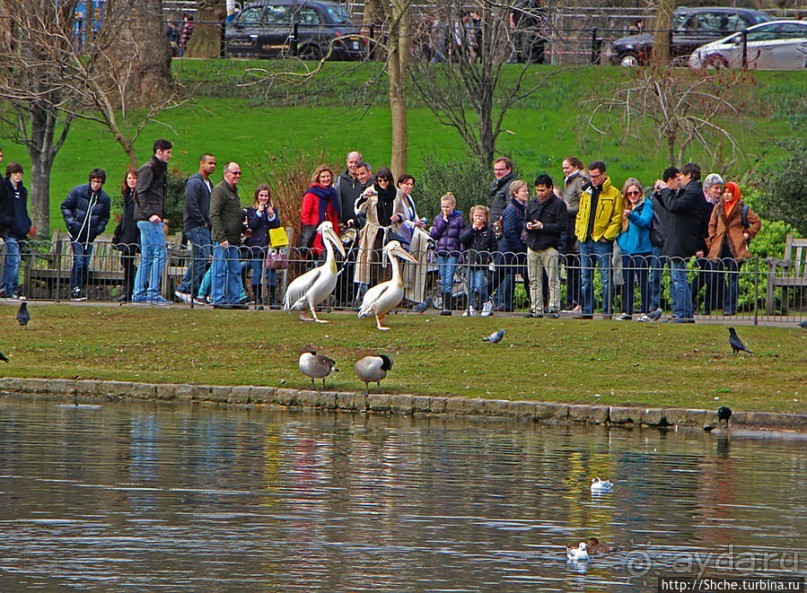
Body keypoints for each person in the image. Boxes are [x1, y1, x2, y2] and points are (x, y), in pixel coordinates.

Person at [654, 162, 706, 323]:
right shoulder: (688, 191)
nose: (680, 179)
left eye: (681, 176)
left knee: (679, 278)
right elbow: (670, 207)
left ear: (689, 175)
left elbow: (675, 206)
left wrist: (665, 190)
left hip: (682, 240)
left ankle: (684, 313)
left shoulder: (693, 192)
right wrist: (661, 194)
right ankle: (681, 311)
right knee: (676, 277)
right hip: (676, 239)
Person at [574, 161, 622, 320]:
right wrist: (578, 231)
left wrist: (606, 237)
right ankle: (587, 310)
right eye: (591, 176)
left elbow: (617, 219)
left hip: (602, 241)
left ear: (604, 175)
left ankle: (607, 311)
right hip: (585, 240)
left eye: (596, 176)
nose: (593, 179)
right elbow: (580, 214)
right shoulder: (586, 192)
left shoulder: (614, 193)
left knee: (606, 278)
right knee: (585, 277)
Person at [706, 182, 761, 316]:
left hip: (735, 247)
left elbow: (757, 222)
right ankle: (711, 305)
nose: (726, 194)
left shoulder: (742, 209)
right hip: (719, 246)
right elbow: (712, 224)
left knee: (733, 277)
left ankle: (729, 307)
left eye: (729, 192)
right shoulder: (718, 207)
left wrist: (747, 234)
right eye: (725, 192)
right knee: (715, 275)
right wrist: (712, 238)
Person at [132, 138, 173, 306]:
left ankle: (139, 292)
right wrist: (151, 214)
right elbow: (140, 192)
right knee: (160, 253)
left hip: (147, 218)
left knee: (148, 256)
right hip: (149, 219)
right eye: (168, 152)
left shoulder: (157, 169)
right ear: (159, 152)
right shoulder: (149, 169)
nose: (170, 156)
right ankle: (152, 292)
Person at [61, 168, 111, 301]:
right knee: (78, 261)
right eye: (94, 181)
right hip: (76, 233)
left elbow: (105, 217)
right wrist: (72, 223)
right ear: (90, 181)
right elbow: (65, 206)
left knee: (85, 263)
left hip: (90, 235)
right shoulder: (78, 191)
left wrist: (98, 229)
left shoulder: (104, 199)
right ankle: (74, 289)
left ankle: (80, 287)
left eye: (99, 182)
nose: (96, 184)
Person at [175, 153, 216, 304]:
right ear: (202, 164)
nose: (212, 166)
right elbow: (191, 204)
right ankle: (185, 288)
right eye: (210, 163)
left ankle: (194, 291)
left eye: (214, 164)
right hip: (196, 226)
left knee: (201, 257)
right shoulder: (195, 182)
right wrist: (202, 221)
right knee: (202, 257)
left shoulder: (208, 183)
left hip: (204, 226)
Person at [524, 174, 567, 319]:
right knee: (534, 280)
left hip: (550, 246)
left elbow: (562, 226)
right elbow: (525, 221)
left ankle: (554, 308)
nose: (540, 193)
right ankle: (536, 308)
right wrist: (528, 225)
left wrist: (543, 226)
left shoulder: (559, 205)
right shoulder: (532, 203)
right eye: (538, 190)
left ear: (550, 188)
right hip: (533, 245)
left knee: (553, 280)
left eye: (543, 190)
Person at [354, 166, 397, 299]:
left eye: (386, 181)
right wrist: (363, 198)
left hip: (388, 233)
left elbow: (402, 212)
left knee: (387, 265)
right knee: (369, 263)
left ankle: (384, 296)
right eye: (380, 181)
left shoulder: (395, 193)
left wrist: (399, 217)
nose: (383, 183)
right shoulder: (371, 191)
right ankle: (367, 295)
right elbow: (358, 210)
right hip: (373, 233)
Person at [210, 162, 247, 310]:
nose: (237, 176)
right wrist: (221, 237)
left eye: (239, 173)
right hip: (223, 240)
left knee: (234, 270)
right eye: (234, 173)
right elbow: (214, 214)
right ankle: (218, 299)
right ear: (226, 174)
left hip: (234, 238)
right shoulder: (220, 191)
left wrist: (244, 229)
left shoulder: (233, 191)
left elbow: (234, 216)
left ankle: (234, 298)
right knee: (219, 270)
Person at [615, 179, 653, 321]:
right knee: (628, 281)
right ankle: (627, 311)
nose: (632, 195)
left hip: (643, 250)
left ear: (640, 193)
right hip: (627, 250)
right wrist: (620, 240)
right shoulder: (624, 207)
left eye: (635, 192)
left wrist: (631, 215)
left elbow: (644, 222)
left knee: (643, 281)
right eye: (629, 193)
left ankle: (645, 312)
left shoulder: (646, 206)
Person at [392, 173, 429, 304]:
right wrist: (414, 224)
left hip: (410, 235)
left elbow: (413, 216)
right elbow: (401, 219)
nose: (409, 186)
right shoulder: (397, 199)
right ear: (400, 184)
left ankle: (406, 295)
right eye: (406, 184)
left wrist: (419, 222)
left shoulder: (410, 199)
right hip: (401, 234)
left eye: (411, 184)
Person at [242, 183, 281, 307]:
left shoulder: (273, 209)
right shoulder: (251, 210)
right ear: (257, 197)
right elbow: (252, 225)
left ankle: (272, 298)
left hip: (269, 246)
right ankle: (257, 298)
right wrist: (259, 212)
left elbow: (276, 225)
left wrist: (271, 215)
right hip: (256, 246)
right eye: (261, 196)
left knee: (271, 271)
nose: (264, 198)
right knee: (257, 272)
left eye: (266, 196)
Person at [496, 180, 530, 313]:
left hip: (515, 248)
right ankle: (506, 303)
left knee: (524, 275)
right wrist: (520, 248)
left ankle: (534, 303)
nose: (527, 193)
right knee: (510, 275)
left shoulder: (523, 208)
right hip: (511, 249)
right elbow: (509, 231)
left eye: (527, 190)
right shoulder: (512, 209)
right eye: (524, 191)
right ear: (515, 193)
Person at [430, 193, 465, 316]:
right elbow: (434, 234)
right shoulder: (438, 219)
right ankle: (444, 304)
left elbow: (461, 238)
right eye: (443, 207)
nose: (445, 209)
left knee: (449, 278)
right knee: (443, 278)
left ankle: (448, 307)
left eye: (447, 207)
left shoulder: (459, 219)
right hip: (441, 252)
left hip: (453, 252)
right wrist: (443, 222)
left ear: (453, 206)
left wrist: (461, 254)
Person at [0, 162, 32, 299]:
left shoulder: (23, 191)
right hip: (10, 230)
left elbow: (23, 210)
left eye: (20, 173)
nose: (18, 176)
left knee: (14, 261)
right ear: (10, 175)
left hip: (21, 230)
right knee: (13, 260)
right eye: (15, 173)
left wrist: (27, 224)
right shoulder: (5, 189)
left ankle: (8, 287)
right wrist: (8, 222)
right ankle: (10, 288)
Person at [459, 205, 497, 316]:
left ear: (485, 217)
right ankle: (470, 306)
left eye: (480, 216)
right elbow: (463, 239)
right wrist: (473, 229)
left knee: (479, 285)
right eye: (476, 216)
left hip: (482, 262)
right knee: (470, 285)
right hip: (470, 261)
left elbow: (494, 246)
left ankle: (486, 302)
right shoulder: (470, 228)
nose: (478, 218)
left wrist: (490, 257)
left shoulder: (489, 231)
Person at [693, 173, 723, 315]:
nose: (718, 191)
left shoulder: (719, 205)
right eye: (716, 188)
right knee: (705, 275)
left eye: (719, 188)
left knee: (711, 275)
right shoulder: (702, 204)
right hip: (703, 245)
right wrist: (698, 247)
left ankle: (708, 306)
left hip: (715, 245)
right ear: (708, 189)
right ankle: (695, 301)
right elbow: (697, 227)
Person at [560, 157, 586, 312]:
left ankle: (577, 300)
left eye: (567, 167)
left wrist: (567, 209)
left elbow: (584, 203)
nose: (565, 170)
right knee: (570, 267)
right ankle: (570, 300)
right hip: (568, 225)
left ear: (575, 166)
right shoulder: (568, 180)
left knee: (576, 267)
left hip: (575, 224)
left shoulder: (580, 181)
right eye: (563, 168)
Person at [299, 164, 340, 260]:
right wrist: (309, 232)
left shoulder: (332, 193)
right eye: (323, 177)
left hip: (328, 229)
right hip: (315, 231)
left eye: (328, 176)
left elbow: (334, 215)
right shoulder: (311, 194)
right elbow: (305, 215)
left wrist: (336, 234)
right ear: (318, 178)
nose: (326, 179)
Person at [112, 169, 139, 303]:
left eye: (134, 178)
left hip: (134, 233)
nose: (131, 181)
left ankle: (130, 290)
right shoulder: (128, 195)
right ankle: (132, 285)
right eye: (129, 179)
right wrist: (118, 232)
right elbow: (124, 216)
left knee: (127, 260)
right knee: (126, 261)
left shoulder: (138, 195)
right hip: (126, 232)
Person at [333, 151, 363, 229]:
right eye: (351, 162)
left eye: (356, 162)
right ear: (347, 162)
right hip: (344, 227)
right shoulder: (338, 181)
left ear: (361, 162)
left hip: (363, 226)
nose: (353, 165)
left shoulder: (366, 181)